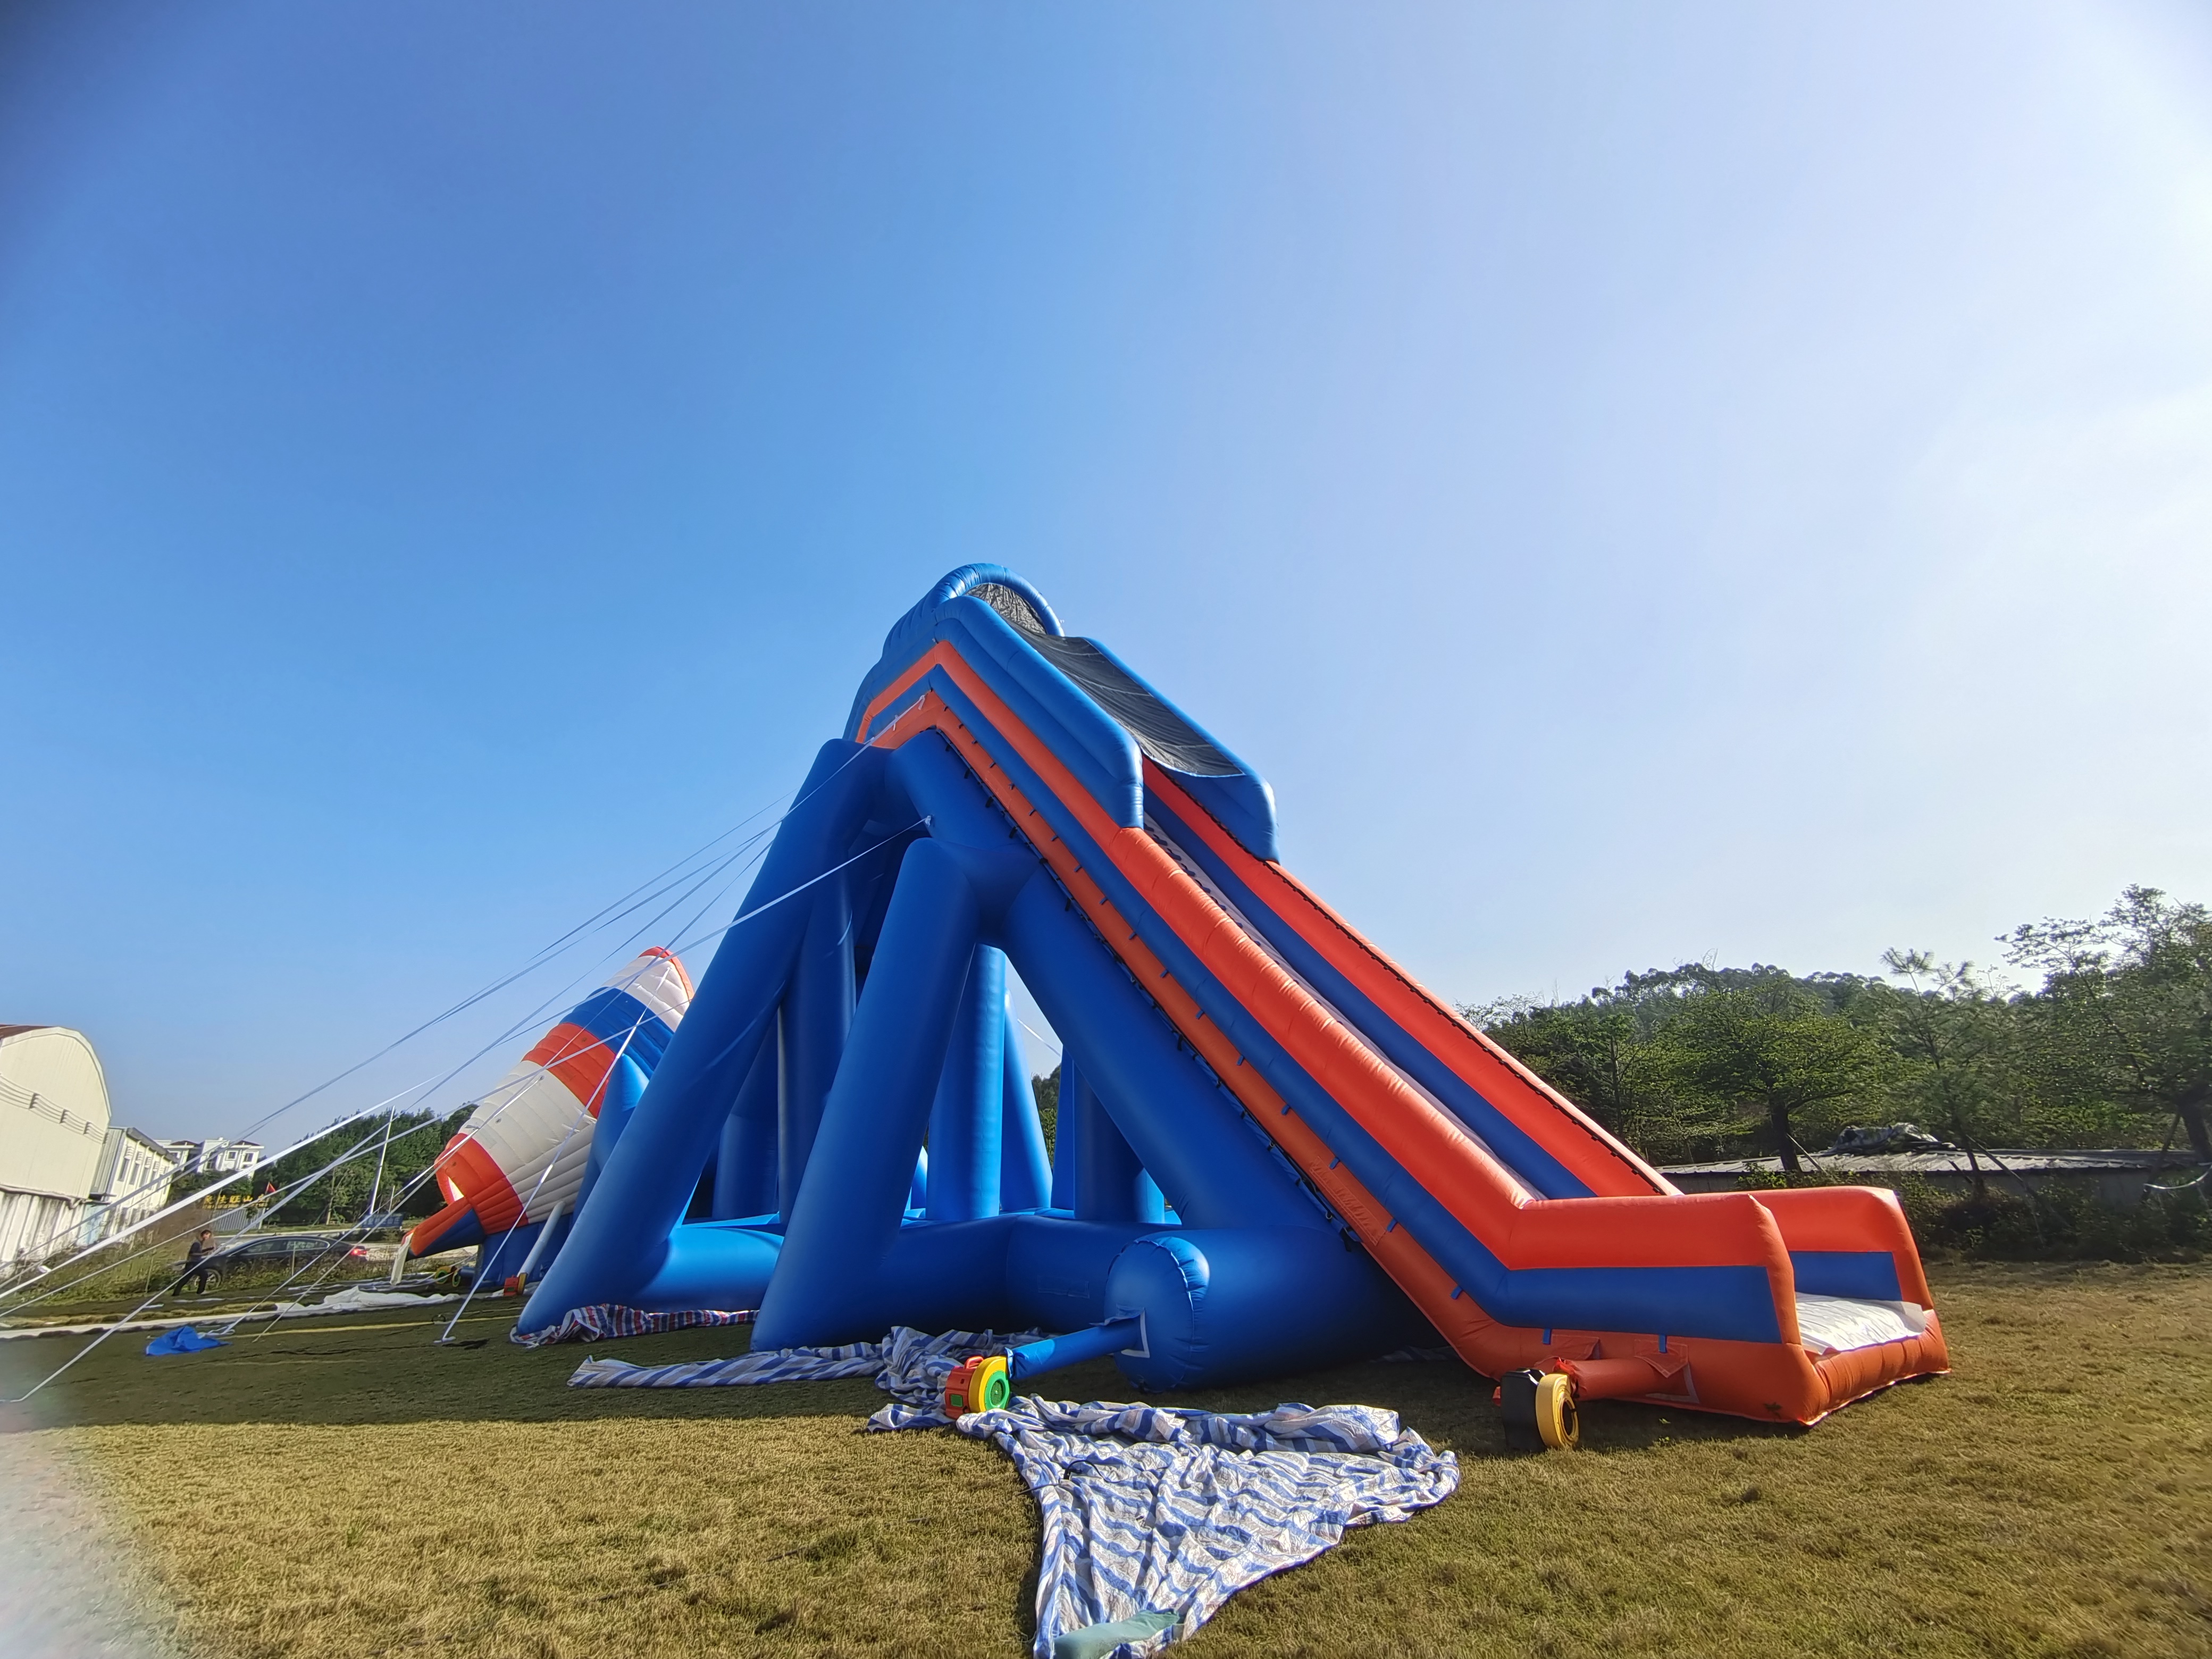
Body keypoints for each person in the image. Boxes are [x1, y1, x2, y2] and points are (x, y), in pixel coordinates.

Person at [176, 1228, 219, 1297]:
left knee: (185, 1279)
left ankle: (176, 1293)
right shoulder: (197, 1243)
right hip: (193, 1264)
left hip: (194, 1264)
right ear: (204, 1234)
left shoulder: (200, 1243)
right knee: (204, 1275)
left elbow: (199, 1252)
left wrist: (208, 1249)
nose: (208, 1238)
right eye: (208, 1236)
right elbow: (192, 1254)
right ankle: (201, 1291)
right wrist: (203, 1254)